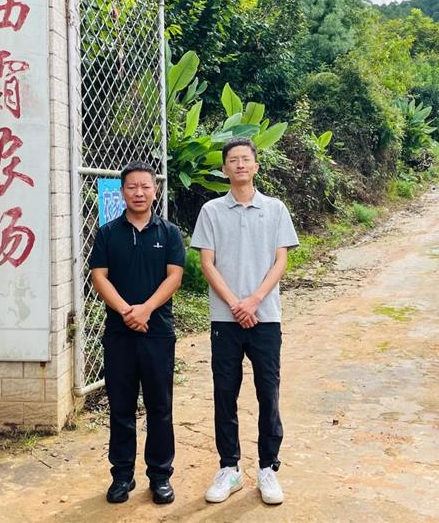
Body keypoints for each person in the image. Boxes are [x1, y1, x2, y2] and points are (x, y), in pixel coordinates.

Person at [190, 137, 299, 505]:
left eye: (245, 159)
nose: (239, 164)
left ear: (255, 166)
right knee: (225, 393)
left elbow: (281, 261)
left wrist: (253, 301)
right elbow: (207, 264)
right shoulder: (211, 211)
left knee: (268, 392)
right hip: (225, 319)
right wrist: (236, 304)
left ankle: (268, 467)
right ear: (224, 169)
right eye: (232, 160)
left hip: (266, 317)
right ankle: (230, 468)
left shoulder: (275, 209)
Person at [90, 161, 185, 505]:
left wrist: (145, 309)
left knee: (160, 406)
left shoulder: (169, 233)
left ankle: (160, 476)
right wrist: (127, 312)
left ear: (155, 190)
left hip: (157, 332)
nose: (139, 193)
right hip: (119, 334)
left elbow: (174, 276)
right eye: (132, 187)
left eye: (145, 186)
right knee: (121, 407)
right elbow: (99, 276)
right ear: (122, 192)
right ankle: (122, 476)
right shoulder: (108, 233)